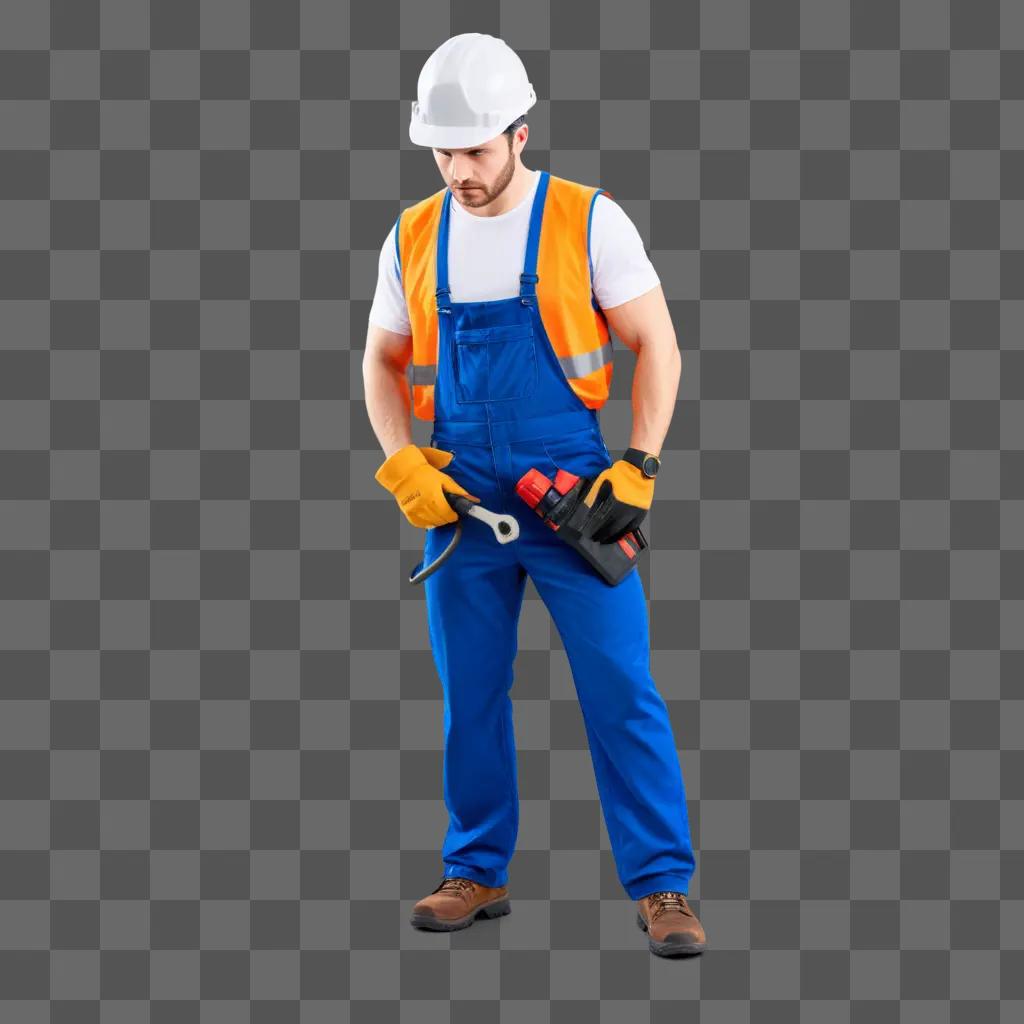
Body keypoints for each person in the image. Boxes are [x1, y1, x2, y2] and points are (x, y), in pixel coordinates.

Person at [363, 32, 706, 958]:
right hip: (459, 499)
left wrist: (638, 463)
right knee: (469, 692)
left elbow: (658, 346)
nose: (457, 170)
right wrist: (402, 461)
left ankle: (663, 885)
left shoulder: (587, 220)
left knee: (620, 687)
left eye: (474, 149)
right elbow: (382, 362)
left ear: (520, 132)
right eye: (442, 151)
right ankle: (475, 869)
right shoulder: (411, 233)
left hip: (571, 495)